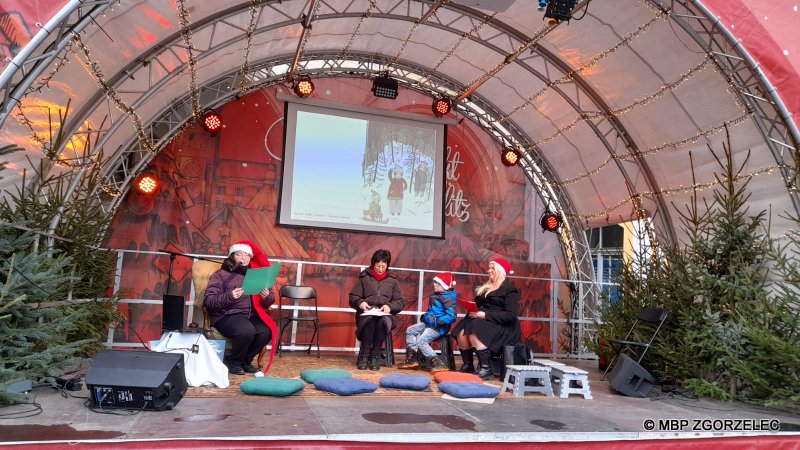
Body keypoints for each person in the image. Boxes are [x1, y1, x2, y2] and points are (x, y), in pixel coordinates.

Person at [203, 240, 277, 376]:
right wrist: (230, 296)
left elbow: (268, 302)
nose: (244, 258)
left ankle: (245, 361)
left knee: (266, 331)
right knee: (246, 330)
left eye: (247, 255)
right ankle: (233, 362)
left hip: (251, 316)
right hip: (226, 315)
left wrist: (266, 296)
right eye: (239, 254)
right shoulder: (220, 275)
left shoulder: (257, 275)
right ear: (231, 257)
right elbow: (209, 301)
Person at [451, 257, 520, 379]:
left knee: (474, 327)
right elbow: (477, 306)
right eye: (489, 268)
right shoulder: (485, 288)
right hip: (483, 320)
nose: (488, 271)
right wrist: (473, 311)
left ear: (500, 270)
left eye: (492, 268)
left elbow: (510, 316)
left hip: (503, 326)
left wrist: (485, 315)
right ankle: (468, 365)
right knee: (461, 331)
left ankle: (486, 368)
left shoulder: (510, 290)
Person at [349, 249, 405, 371]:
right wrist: (360, 303)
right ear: (373, 264)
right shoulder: (364, 277)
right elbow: (353, 297)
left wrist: (389, 306)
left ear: (387, 265)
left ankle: (374, 356)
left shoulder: (393, 280)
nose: (380, 269)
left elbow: (400, 301)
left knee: (381, 321)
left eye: (383, 266)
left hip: (386, 314)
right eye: (378, 266)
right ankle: (364, 355)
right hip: (367, 313)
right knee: (371, 319)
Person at [398, 272, 457, 372]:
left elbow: (452, 316)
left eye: (438, 283)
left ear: (445, 286)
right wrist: (426, 317)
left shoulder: (448, 298)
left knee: (422, 341)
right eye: (434, 282)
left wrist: (436, 321)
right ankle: (412, 358)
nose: (434, 285)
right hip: (429, 323)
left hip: (439, 327)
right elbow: (433, 312)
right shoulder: (437, 295)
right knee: (410, 330)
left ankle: (437, 362)